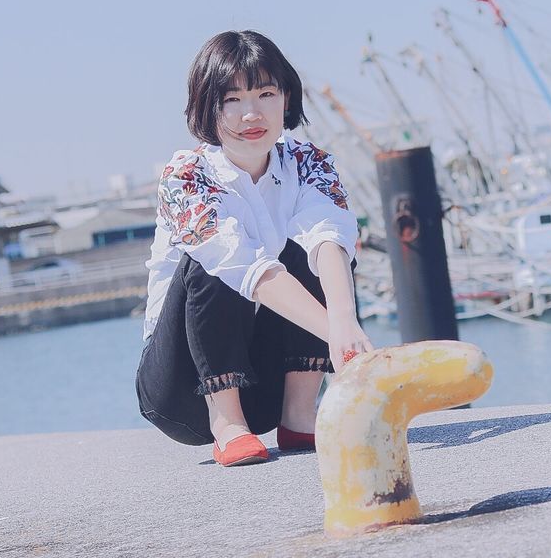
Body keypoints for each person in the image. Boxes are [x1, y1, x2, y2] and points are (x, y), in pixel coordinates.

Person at [135, 30, 373, 467]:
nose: (252, 113)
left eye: (266, 92)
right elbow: (244, 268)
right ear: (208, 107)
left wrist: (343, 321)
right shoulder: (187, 176)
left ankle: (300, 416)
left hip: (267, 379)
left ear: (286, 97)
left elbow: (329, 233)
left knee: (321, 248)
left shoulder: (308, 162)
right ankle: (228, 425)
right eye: (232, 100)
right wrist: (335, 335)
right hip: (182, 390)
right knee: (215, 261)